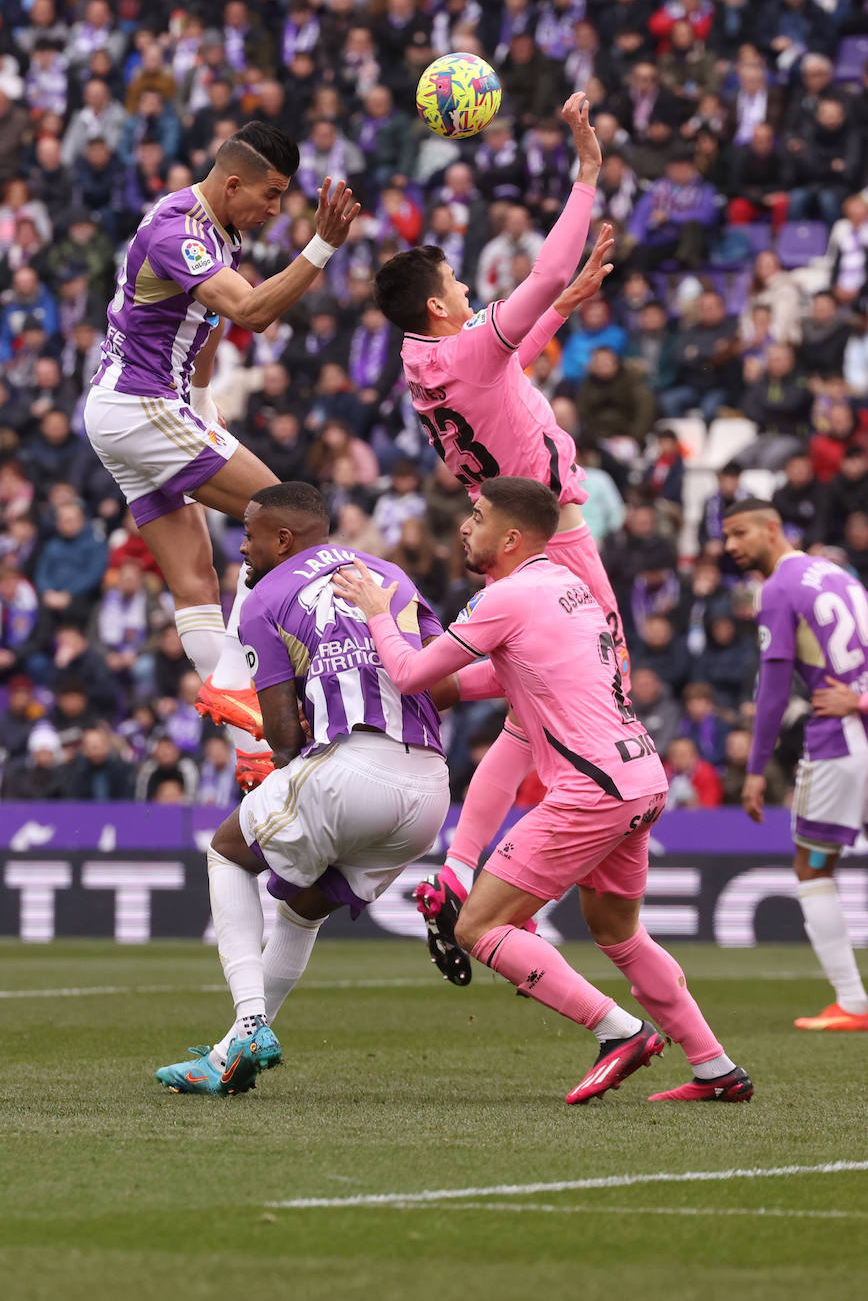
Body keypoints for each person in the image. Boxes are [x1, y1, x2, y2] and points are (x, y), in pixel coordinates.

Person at [334, 477, 752, 1104]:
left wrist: (374, 613)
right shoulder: (567, 588)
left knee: (478, 927)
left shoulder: (506, 598)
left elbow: (412, 673)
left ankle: (620, 1033)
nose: (464, 527)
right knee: (619, 934)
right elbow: (492, 685)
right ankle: (717, 1069)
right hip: (640, 778)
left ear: (509, 537)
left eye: (475, 517)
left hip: (591, 789)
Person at [371, 92, 633, 981]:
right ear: (438, 308)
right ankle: (522, 856)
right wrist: (586, 175)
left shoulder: (427, 363)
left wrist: (564, 303)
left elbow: (510, 351)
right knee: (585, 701)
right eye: (458, 287)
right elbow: (536, 280)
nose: (471, 292)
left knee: (525, 704)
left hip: (521, 547)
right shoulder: (462, 347)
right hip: (555, 544)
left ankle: (452, 866)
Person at [82, 121, 360, 790]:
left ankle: (249, 747)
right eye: (270, 195)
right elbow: (252, 313)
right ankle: (240, 681)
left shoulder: (220, 231)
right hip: (140, 409)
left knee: (198, 584)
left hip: (130, 412)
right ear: (232, 182)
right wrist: (322, 244)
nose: (274, 209)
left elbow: (205, 330)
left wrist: (204, 412)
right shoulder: (178, 230)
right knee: (290, 519)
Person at [155, 482, 450, 1096]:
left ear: (283, 539)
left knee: (228, 851)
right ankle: (229, 1056)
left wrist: (282, 753)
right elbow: (438, 675)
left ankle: (252, 1020)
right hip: (429, 791)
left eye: (250, 534)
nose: (243, 547)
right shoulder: (388, 572)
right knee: (301, 908)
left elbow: (285, 738)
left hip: (351, 765)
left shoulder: (267, 597)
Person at [723, 497, 868, 1032]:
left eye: (740, 534)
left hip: (839, 740)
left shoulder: (778, 589)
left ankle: (852, 1003)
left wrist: (756, 768)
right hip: (862, 722)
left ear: (772, 528)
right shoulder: (839, 573)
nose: (732, 546)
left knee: (811, 869)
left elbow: (774, 693)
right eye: (727, 537)